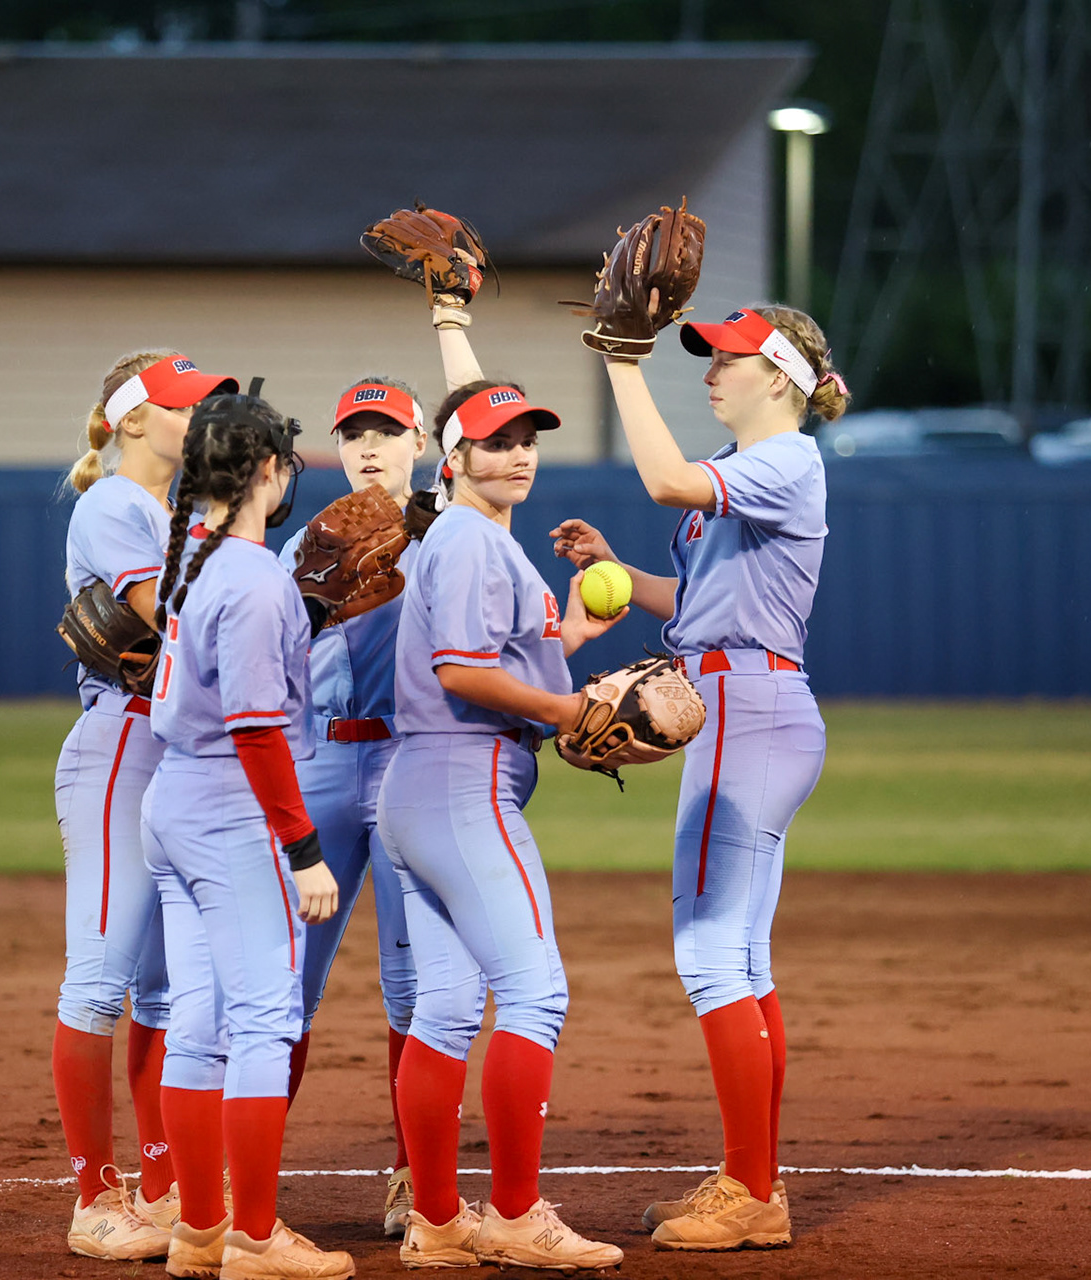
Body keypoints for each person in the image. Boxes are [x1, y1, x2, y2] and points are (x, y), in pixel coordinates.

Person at [551, 304, 849, 1250]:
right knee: (742, 960)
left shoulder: (787, 459)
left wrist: (623, 363)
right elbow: (698, 599)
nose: (710, 372)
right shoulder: (758, 475)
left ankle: (754, 1193)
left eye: (726, 359)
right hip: (738, 701)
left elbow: (667, 477)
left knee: (710, 954)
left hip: (749, 708)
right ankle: (748, 1181)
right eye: (706, 358)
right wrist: (618, 571)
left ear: (779, 375)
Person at [375, 295, 625, 1271]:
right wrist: (571, 710)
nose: (515, 453)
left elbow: (487, 658)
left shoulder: (467, 539)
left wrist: (564, 645)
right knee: (534, 991)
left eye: (526, 436)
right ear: (453, 458)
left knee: (442, 1009)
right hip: (463, 782)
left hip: (417, 789)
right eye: (493, 440)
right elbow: (461, 673)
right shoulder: (474, 537)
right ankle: (516, 1215)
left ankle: (439, 1223)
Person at [140, 388, 356, 1280]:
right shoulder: (257, 576)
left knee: (199, 1020)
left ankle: (197, 1233)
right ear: (268, 471)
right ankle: (257, 1239)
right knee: (264, 1019)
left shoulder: (190, 558)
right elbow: (258, 729)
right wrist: (304, 848)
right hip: (232, 808)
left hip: (173, 805)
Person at [54, 350, 237, 1260]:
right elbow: (165, 613)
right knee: (100, 975)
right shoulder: (115, 504)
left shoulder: (190, 514)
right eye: (189, 407)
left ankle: (165, 1185)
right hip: (123, 745)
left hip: (183, 752)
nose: (206, 421)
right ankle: (95, 1197)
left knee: (166, 987)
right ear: (133, 421)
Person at [276, 377, 430, 1237]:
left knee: (414, 989)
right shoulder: (307, 541)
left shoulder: (447, 533)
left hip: (411, 761)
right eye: (354, 432)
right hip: (323, 761)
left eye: (387, 430)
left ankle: (414, 1179)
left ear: (419, 442)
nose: (370, 445)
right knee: (285, 983)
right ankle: (239, 1176)